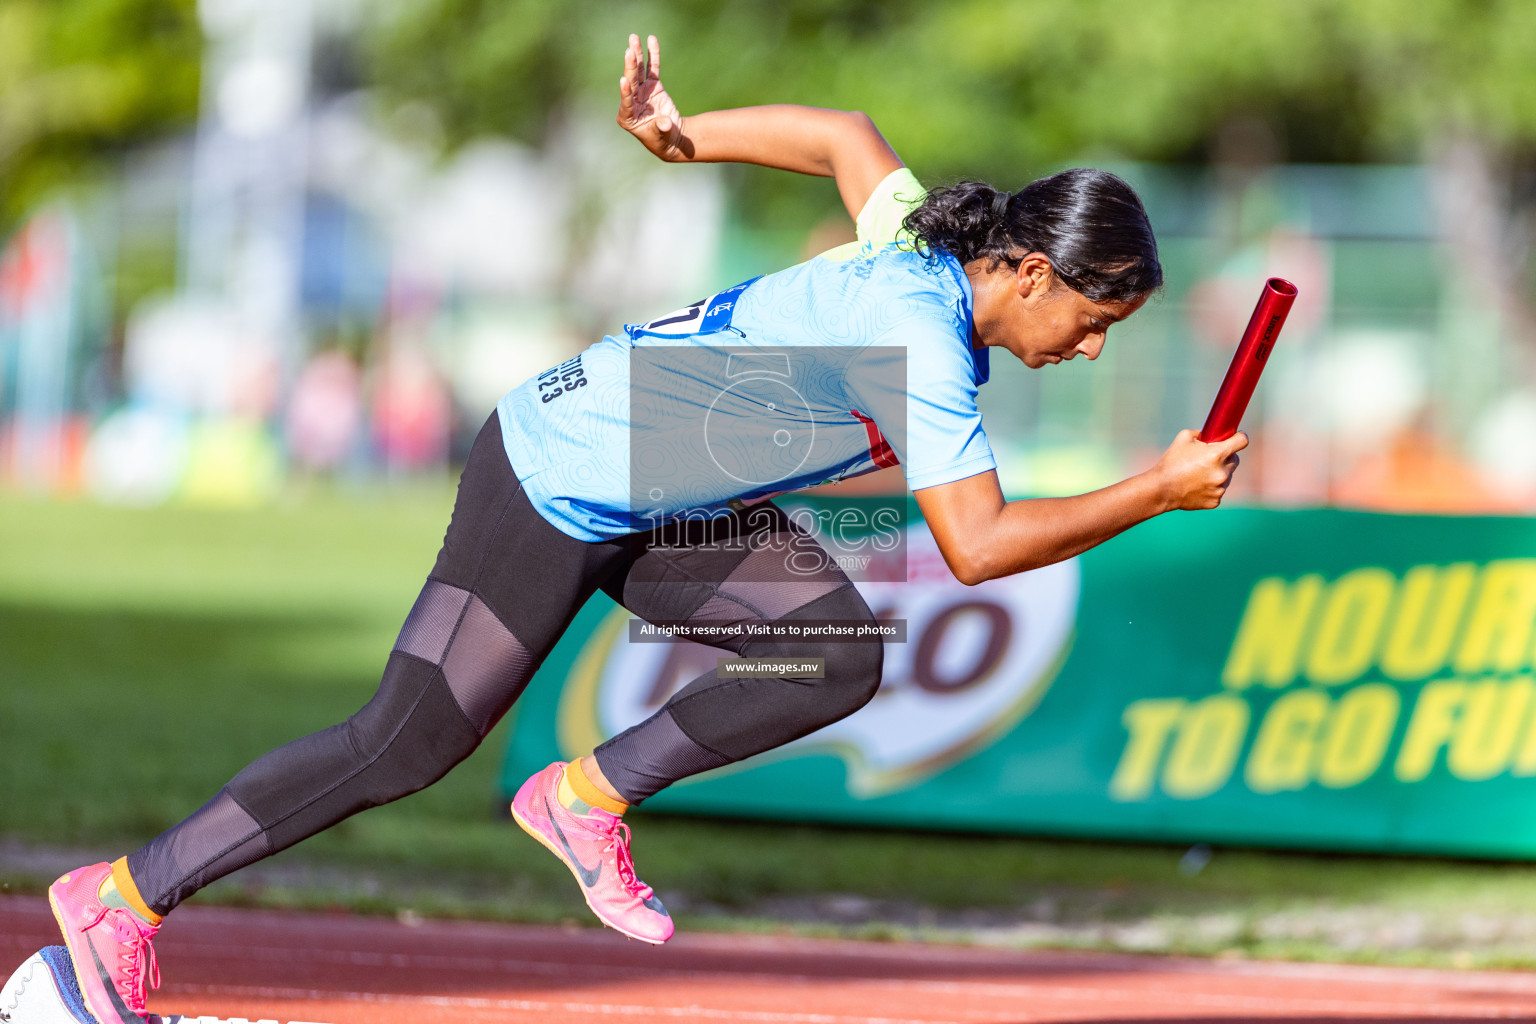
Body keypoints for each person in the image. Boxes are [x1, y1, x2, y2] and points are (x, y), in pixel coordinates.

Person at [47, 33, 1247, 1024]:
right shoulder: (921, 340)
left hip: (671, 499)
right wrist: (1157, 487)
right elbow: (977, 546)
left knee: (833, 651)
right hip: (557, 475)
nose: (1090, 348)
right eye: (1093, 320)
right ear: (1029, 272)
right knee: (403, 742)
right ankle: (120, 897)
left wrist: (686, 135)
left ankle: (588, 795)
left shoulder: (921, 243)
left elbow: (839, 133)